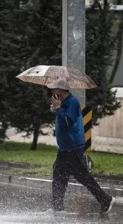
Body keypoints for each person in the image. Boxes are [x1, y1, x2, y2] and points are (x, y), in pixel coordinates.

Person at [46, 78, 115, 214]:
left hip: (72, 147)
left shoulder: (72, 102)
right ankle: (57, 207)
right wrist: (55, 109)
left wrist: (59, 109)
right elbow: (61, 118)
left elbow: (67, 122)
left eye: (54, 89)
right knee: (59, 176)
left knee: (82, 176)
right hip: (65, 148)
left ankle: (105, 199)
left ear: (60, 90)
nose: (52, 91)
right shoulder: (63, 102)